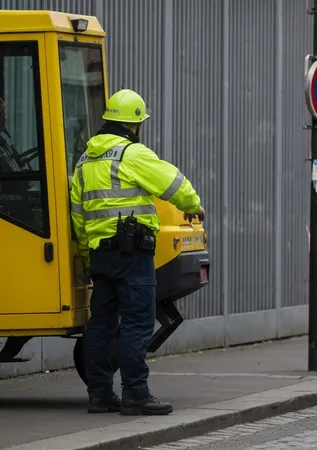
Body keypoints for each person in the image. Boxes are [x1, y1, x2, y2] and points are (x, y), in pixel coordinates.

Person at [69, 88, 205, 416]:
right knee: (137, 322)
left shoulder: (84, 162)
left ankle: (100, 394)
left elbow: (78, 217)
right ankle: (135, 393)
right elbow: (174, 184)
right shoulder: (132, 154)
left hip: (100, 256)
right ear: (134, 124)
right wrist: (195, 206)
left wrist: (87, 258)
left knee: (100, 325)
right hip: (133, 255)